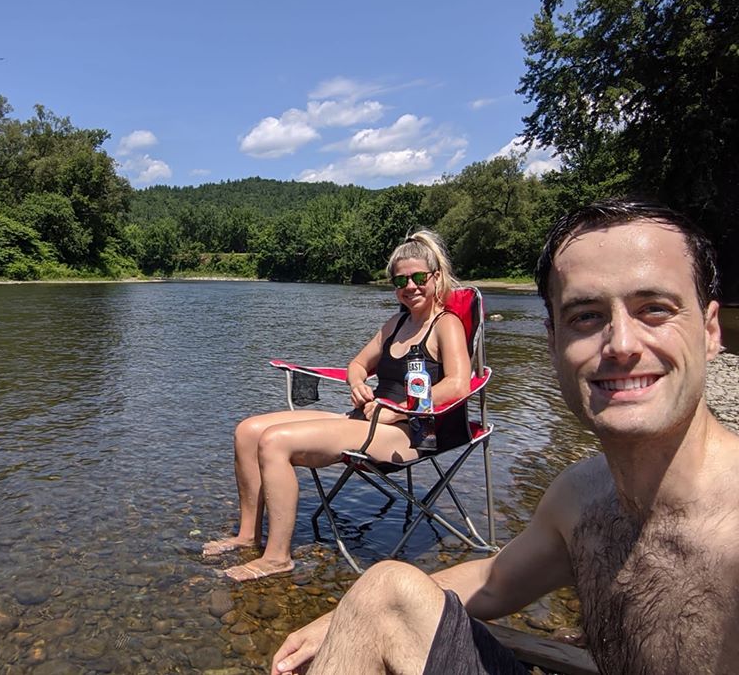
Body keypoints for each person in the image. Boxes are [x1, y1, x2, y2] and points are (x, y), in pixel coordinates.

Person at [270, 197, 737, 675]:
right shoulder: (582, 495)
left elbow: (455, 381)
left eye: (654, 309)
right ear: (553, 342)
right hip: (388, 423)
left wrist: (398, 408)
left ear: (710, 330)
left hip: (419, 431)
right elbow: (494, 582)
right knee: (380, 590)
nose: (621, 345)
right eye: (587, 316)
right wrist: (344, 615)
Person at [203, 230, 472, 581]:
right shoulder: (396, 323)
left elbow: (458, 384)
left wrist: (403, 408)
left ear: (436, 277)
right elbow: (357, 365)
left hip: (408, 431)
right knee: (248, 431)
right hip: (365, 420)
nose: (411, 286)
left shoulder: (445, 324)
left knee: (274, 442)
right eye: (401, 280)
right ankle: (247, 536)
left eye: (420, 277)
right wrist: (359, 383)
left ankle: (277, 558)